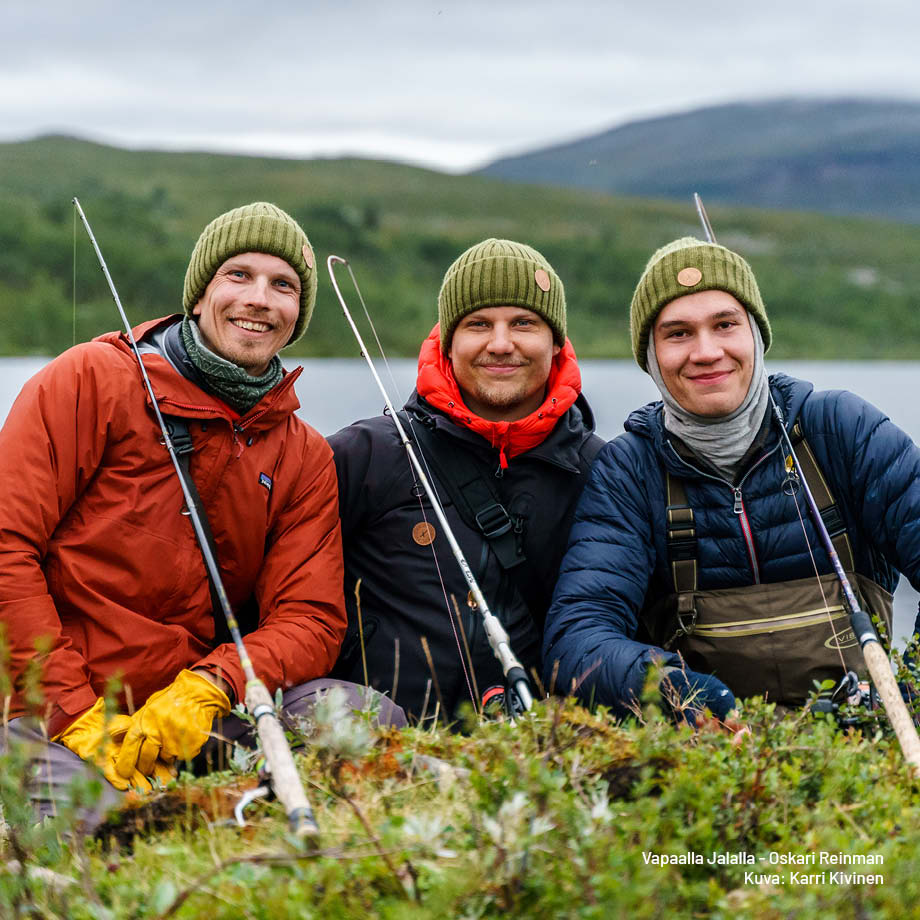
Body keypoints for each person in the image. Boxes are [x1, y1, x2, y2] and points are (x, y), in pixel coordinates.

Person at [0, 201, 402, 829]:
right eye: (237, 275)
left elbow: (311, 617)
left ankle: (238, 818)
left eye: (284, 285)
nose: (260, 299)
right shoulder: (91, 379)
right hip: (50, 715)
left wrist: (210, 686)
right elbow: (7, 548)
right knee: (104, 827)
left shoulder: (303, 454)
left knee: (364, 718)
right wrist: (74, 714)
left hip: (193, 716)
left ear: (298, 314)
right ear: (200, 292)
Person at [542, 236, 920, 723]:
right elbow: (576, 642)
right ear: (651, 356)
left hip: (869, 741)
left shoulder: (839, 430)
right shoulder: (629, 471)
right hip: (711, 758)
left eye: (725, 325)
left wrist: (907, 692)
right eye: (677, 333)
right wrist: (688, 699)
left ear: (756, 336)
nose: (706, 351)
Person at [329, 238, 603, 723]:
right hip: (387, 755)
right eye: (478, 324)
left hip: (540, 756)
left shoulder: (602, 471)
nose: (501, 344)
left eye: (524, 323)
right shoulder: (362, 456)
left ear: (557, 342)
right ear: (448, 342)